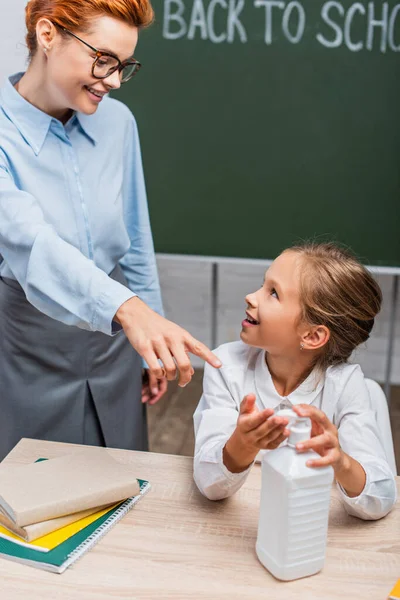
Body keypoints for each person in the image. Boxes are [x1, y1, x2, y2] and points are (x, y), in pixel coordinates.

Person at [0, 0, 221, 461]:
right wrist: (131, 312)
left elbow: (135, 242)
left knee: (119, 478)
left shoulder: (118, 123)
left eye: (124, 66)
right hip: (25, 349)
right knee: (32, 496)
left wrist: (149, 341)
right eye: (103, 60)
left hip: (116, 345)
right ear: (47, 35)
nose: (115, 80)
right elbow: (31, 242)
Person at [193, 242, 397, 520]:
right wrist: (242, 444)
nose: (251, 297)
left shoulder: (346, 385)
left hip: (308, 522)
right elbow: (209, 485)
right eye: (262, 285)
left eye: (273, 293)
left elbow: (381, 498)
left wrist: (341, 462)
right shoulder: (225, 366)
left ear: (312, 336)